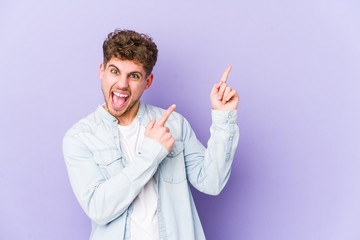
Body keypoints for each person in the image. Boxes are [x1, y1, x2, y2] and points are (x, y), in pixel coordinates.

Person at [63, 29, 239, 240]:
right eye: (114, 71)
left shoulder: (174, 123)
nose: (121, 84)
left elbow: (212, 183)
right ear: (102, 71)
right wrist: (151, 153)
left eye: (134, 76)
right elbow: (99, 210)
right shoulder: (79, 138)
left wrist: (223, 118)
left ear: (148, 81)